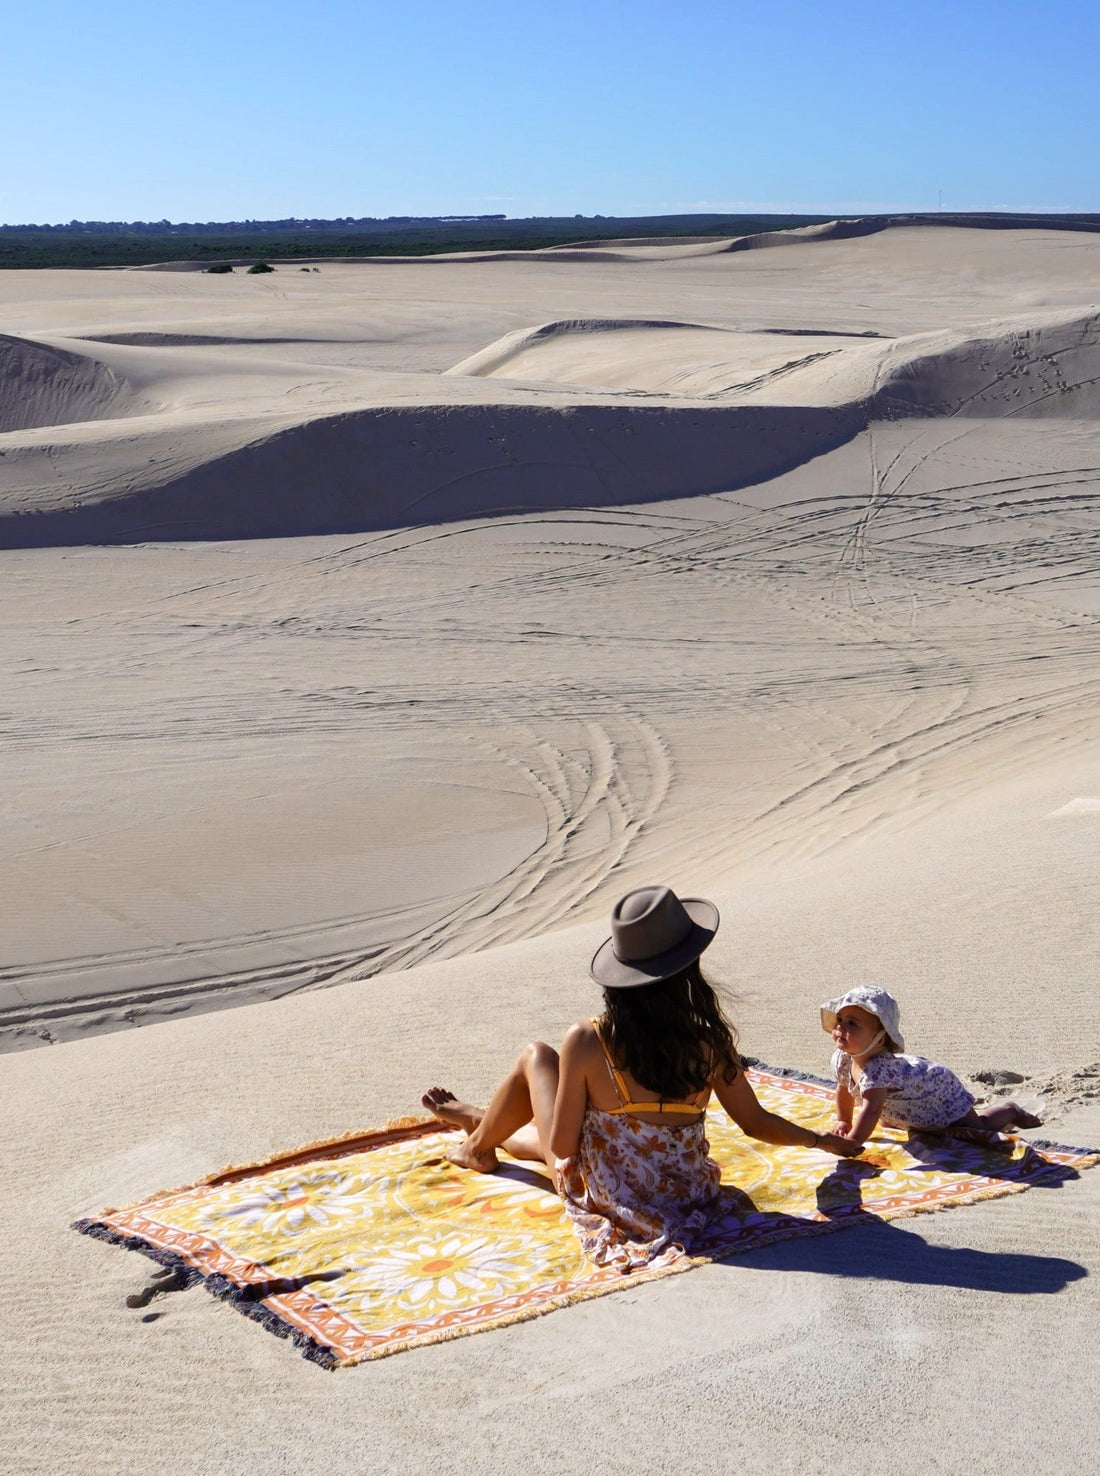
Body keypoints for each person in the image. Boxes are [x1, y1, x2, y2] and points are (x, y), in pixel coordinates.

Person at [422, 884, 860, 1271]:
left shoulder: (588, 1039)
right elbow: (756, 1123)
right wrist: (821, 1141)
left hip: (615, 1199)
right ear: (689, 968)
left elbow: (561, 1146)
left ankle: (477, 1145)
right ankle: (481, 1120)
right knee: (549, 1127)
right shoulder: (710, 1043)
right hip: (688, 1196)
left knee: (537, 1060)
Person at [822, 986, 1043, 1146]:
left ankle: (1009, 1110)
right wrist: (843, 1119)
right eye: (840, 1019)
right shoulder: (843, 1058)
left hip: (939, 1091)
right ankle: (903, 1118)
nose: (841, 1027)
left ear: (880, 1038)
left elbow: (871, 1110)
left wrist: (852, 1142)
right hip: (912, 1101)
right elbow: (844, 1088)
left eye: (852, 1024)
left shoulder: (878, 1070)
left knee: (976, 1129)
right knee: (892, 1122)